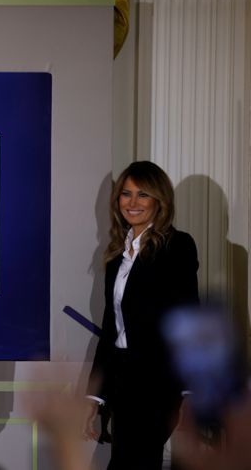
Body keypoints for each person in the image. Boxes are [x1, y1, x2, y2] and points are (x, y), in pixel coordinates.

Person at [85, 161, 200, 469]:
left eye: (143, 195)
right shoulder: (115, 257)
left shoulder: (177, 246)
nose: (132, 203)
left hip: (159, 384)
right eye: (126, 194)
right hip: (123, 382)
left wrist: (189, 392)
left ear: (159, 201)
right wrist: (96, 397)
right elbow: (112, 329)